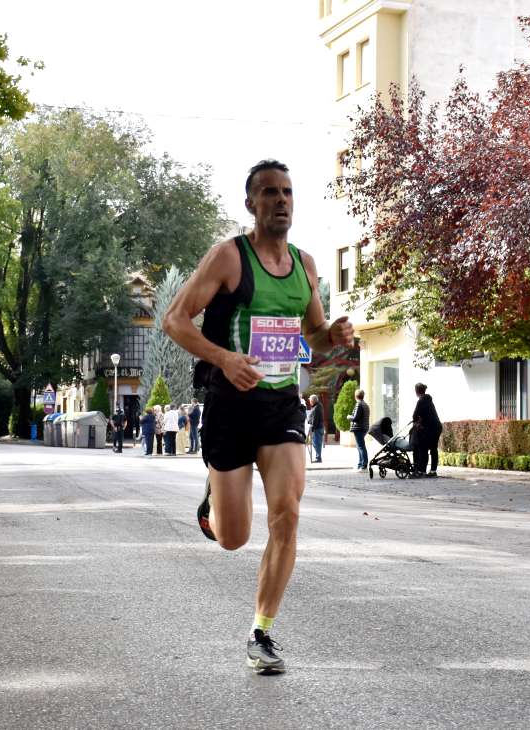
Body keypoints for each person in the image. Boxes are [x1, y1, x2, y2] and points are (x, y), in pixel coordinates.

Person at [162, 159, 354, 674]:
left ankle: (261, 633)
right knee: (233, 538)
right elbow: (174, 319)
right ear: (251, 203)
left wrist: (330, 336)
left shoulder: (306, 265)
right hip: (229, 403)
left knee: (287, 513)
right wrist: (224, 357)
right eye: (269, 192)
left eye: (287, 191)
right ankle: (213, 490)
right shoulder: (229, 257)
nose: (281, 200)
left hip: (280, 403)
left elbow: (311, 334)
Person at [411, 383, 443, 477]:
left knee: (423, 448)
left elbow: (414, 416)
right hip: (436, 427)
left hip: (429, 428)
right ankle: (433, 471)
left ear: (416, 391)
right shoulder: (429, 400)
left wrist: (418, 422)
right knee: (433, 449)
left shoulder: (421, 401)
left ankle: (421, 471)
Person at [348, 388, 371, 471]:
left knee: (361, 446)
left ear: (355, 396)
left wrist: (349, 417)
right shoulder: (365, 404)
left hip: (359, 428)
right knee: (359, 446)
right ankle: (360, 464)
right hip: (364, 427)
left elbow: (355, 417)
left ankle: (364, 465)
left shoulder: (359, 404)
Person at [305, 394, 324, 463]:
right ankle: (318, 457)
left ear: (312, 401)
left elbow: (315, 420)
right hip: (318, 428)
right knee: (316, 443)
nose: (309, 401)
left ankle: (318, 458)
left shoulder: (316, 407)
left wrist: (312, 430)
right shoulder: (317, 406)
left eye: (310, 400)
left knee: (317, 443)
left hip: (317, 429)